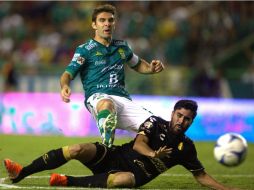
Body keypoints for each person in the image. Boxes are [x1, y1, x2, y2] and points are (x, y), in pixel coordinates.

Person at [4, 100, 237, 189]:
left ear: (191, 121)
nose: (181, 121)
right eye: (179, 115)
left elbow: (201, 175)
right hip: (115, 156)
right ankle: (22, 171)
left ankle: (65, 181)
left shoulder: (187, 148)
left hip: (136, 174)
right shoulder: (155, 123)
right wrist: (155, 153)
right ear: (173, 113)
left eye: (186, 118)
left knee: (120, 180)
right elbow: (139, 145)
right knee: (77, 149)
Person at [60, 4, 164, 147]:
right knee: (107, 104)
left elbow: (138, 64)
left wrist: (151, 68)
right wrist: (65, 86)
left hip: (123, 99)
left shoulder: (122, 47)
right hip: (98, 97)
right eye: (102, 20)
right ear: (94, 25)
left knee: (157, 128)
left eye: (110, 20)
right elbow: (67, 74)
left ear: (114, 23)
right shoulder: (84, 50)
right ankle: (107, 146)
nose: (107, 24)